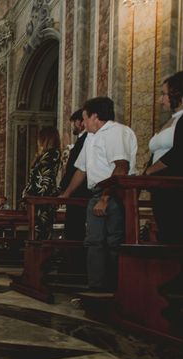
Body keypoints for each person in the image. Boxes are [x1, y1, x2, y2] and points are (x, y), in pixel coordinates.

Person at [60, 96, 137, 292]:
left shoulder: (116, 132)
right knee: (93, 241)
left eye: (85, 118)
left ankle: (117, 289)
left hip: (115, 194)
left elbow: (121, 167)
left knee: (113, 241)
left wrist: (105, 198)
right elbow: (81, 170)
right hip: (96, 193)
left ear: (95, 116)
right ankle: (95, 289)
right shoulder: (91, 137)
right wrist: (66, 194)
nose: (83, 123)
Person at [145, 71, 183, 243]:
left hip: (177, 187)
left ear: (178, 94)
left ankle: (181, 269)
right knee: (165, 233)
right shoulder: (171, 119)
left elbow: (182, 152)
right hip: (160, 187)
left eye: (164, 94)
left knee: (176, 234)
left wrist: (151, 171)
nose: (161, 99)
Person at [21, 126, 62, 240]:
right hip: (36, 198)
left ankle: (42, 256)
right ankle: (36, 255)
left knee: (42, 232)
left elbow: (46, 178)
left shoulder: (53, 154)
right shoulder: (44, 154)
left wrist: (31, 193)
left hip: (43, 198)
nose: (38, 142)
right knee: (35, 232)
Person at [60, 109, 91, 240]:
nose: (72, 126)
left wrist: (66, 189)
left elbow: (79, 168)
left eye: (73, 122)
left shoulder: (86, 139)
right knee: (73, 227)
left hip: (80, 190)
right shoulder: (83, 139)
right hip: (76, 189)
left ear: (80, 122)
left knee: (75, 229)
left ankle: (75, 258)